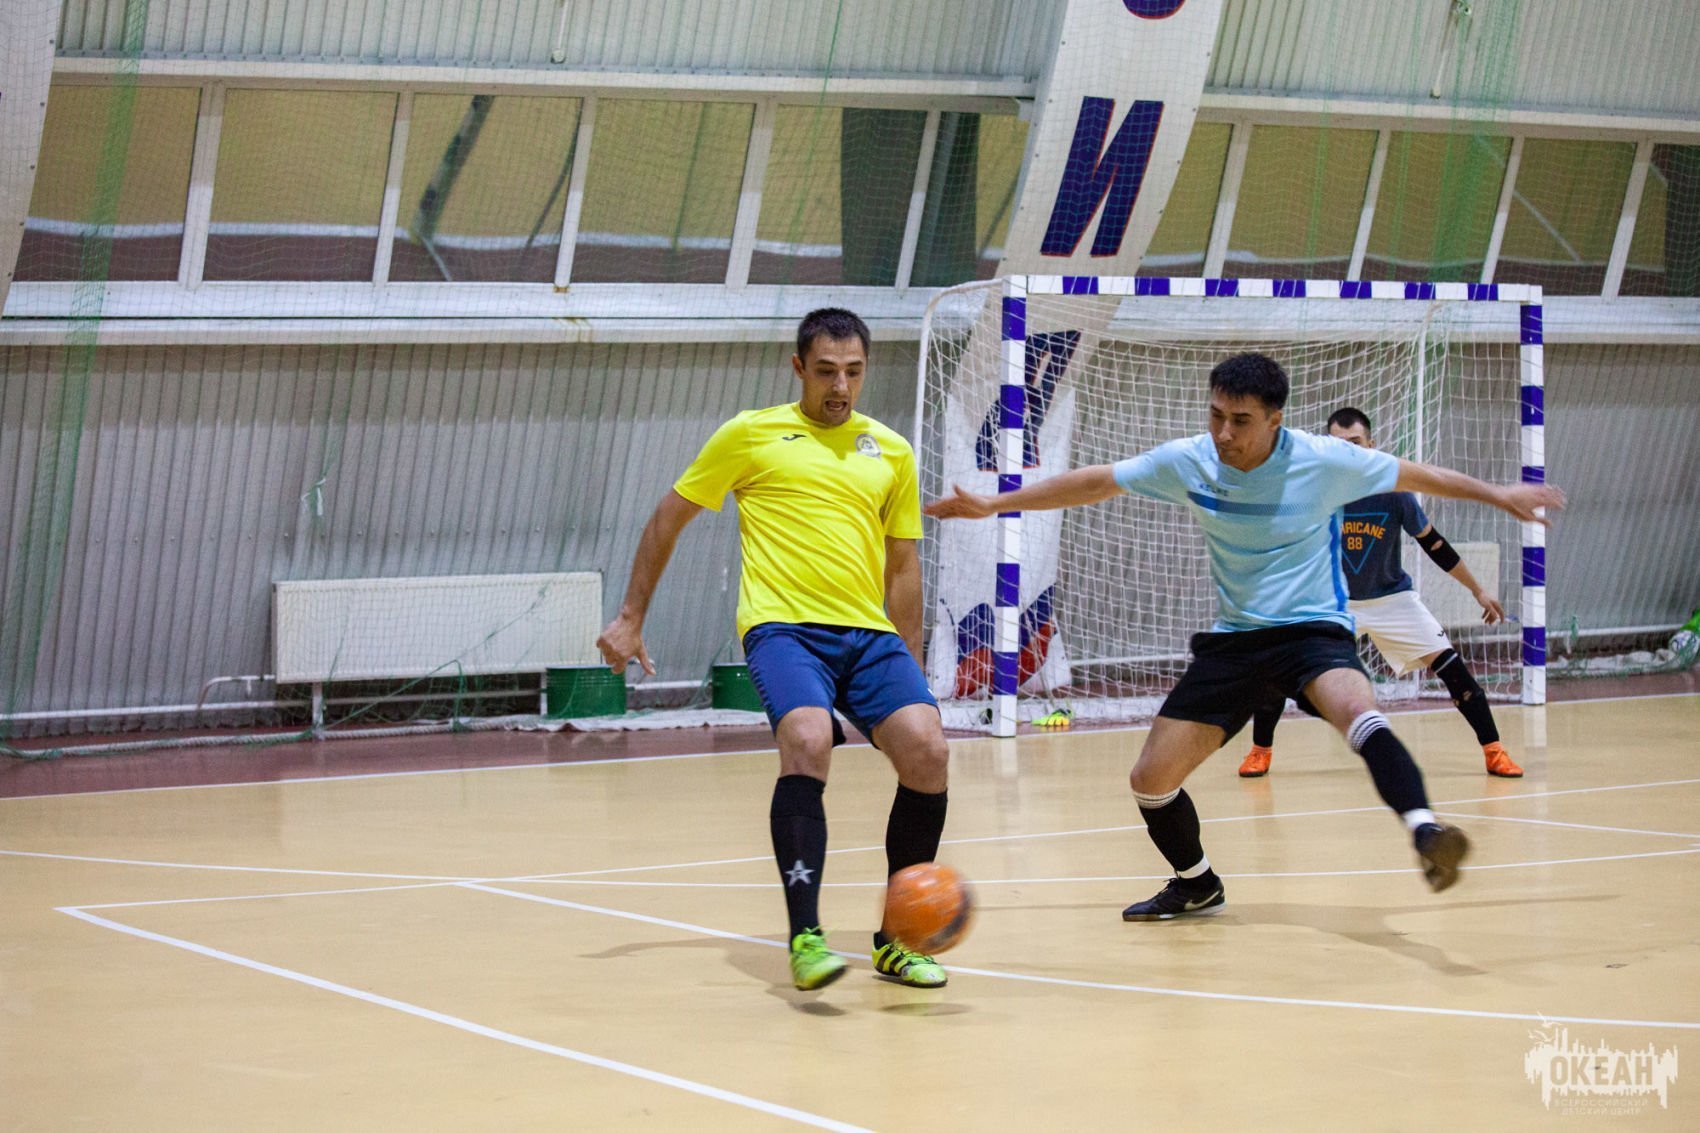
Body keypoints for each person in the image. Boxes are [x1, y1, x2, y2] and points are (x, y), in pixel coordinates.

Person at [925, 352, 1563, 918]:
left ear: (1274, 421)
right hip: (1235, 641)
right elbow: (1098, 480)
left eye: (1240, 420)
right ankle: (1196, 884)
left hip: (1312, 631)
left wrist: (1498, 494)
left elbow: (1418, 476)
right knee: (1150, 779)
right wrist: (997, 503)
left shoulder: (1323, 460)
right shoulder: (1192, 460)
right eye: (1216, 415)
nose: (1224, 433)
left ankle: (1424, 830)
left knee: (1358, 711)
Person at [596, 308, 952, 990]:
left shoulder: (890, 451)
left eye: (853, 372)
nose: (840, 386)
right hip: (783, 628)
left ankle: (899, 939)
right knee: (808, 738)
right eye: (826, 371)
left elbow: (903, 564)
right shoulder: (750, 434)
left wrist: (911, 663)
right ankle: (807, 938)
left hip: (868, 635)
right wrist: (631, 616)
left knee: (928, 750)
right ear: (798, 368)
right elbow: (668, 517)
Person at [1238, 406, 1523, 780]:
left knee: (1453, 670)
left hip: (1392, 600)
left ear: (1371, 445)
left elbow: (1434, 544)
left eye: (1355, 443)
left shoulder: (1394, 491)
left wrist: (1478, 590)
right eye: (1339, 444)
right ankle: (1260, 750)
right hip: (1332, 604)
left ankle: (1494, 751)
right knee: (1277, 672)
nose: (1349, 451)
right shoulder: (1315, 491)